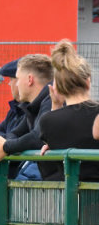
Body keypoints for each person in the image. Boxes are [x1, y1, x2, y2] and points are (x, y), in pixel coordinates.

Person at [0, 54, 54, 180]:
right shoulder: (34, 106)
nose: (16, 85)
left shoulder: (51, 101)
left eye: (17, 79)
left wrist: (5, 147)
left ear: (29, 79)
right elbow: (16, 133)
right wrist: (0, 144)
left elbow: (38, 137)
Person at [38, 40, 99, 181]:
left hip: (69, 192)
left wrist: (56, 106)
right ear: (88, 81)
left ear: (57, 87)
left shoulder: (47, 121)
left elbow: (49, 170)